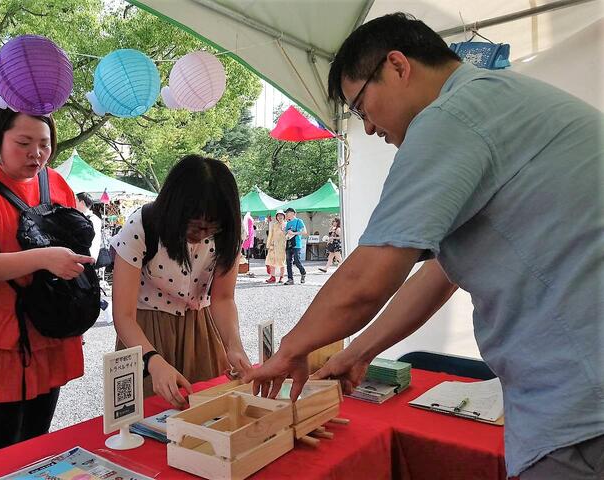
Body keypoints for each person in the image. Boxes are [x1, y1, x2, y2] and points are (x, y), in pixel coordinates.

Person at [244, 12, 603, 480]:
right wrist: (358, 352)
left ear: (397, 65)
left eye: (360, 106)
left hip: (581, 398)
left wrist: (289, 350)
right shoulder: (498, 101)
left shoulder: (451, 116)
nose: (369, 128)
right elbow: (440, 275)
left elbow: (366, 281)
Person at [0, 106, 92, 455]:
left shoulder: (55, 182)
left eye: (44, 143)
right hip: (0, 334)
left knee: (38, 437)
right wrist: (46, 258)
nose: (36, 154)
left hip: (49, 324)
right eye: (23, 143)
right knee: (2, 441)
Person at [110, 154, 252, 408]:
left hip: (200, 329)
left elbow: (223, 298)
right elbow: (123, 316)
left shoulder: (229, 232)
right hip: (144, 333)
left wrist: (234, 345)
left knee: (208, 414)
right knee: (145, 421)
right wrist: (152, 360)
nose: (202, 235)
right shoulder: (142, 226)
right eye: (195, 226)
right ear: (173, 209)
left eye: (212, 228)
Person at [76, 192, 103, 261]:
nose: (74, 204)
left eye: (76, 201)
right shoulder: (95, 219)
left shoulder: (90, 219)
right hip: (88, 256)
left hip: (87, 256)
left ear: (81, 202)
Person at [283, 208, 307, 285]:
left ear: (293, 213)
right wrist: (285, 232)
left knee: (297, 261)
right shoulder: (288, 223)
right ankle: (290, 279)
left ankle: (303, 272)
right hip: (289, 244)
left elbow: (304, 232)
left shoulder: (299, 221)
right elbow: (286, 233)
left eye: (287, 213)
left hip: (297, 244)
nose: (286, 214)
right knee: (288, 262)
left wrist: (294, 233)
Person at [264, 211, 287, 284]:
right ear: (276, 217)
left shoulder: (286, 224)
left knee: (282, 261)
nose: (280, 217)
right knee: (271, 261)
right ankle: (272, 277)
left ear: (284, 216)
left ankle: (282, 277)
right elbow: (270, 234)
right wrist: (269, 244)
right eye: (278, 215)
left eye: (281, 215)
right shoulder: (274, 224)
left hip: (282, 246)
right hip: (273, 245)